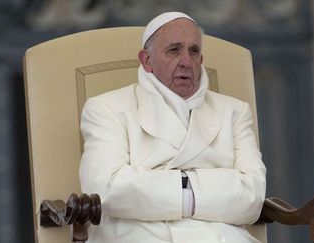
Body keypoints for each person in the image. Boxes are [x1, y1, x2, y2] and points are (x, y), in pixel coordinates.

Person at [79, 12, 266, 243]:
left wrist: (162, 190)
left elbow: (252, 197)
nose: (186, 61)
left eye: (194, 51)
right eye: (174, 50)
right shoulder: (107, 108)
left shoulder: (235, 112)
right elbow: (107, 190)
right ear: (146, 60)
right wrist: (207, 192)